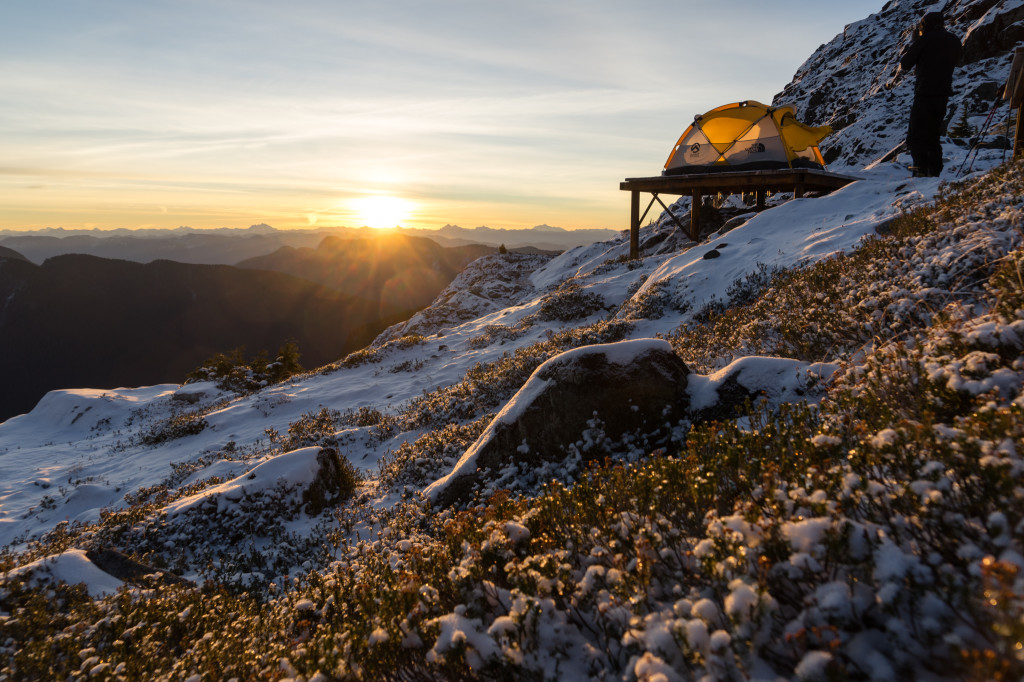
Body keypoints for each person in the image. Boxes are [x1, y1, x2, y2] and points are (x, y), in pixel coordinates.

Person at [899, 11, 963, 177]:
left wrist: (915, 44)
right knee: (933, 134)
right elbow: (960, 60)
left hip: (925, 92)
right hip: (943, 94)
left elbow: (905, 64)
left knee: (916, 134)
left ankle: (920, 170)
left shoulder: (924, 40)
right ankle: (934, 172)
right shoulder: (954, 40)